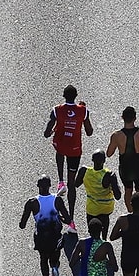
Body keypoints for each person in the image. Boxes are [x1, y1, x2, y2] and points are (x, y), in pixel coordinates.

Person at [44, 84, 93, 233]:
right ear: (76, 96)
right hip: (75, 150)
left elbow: (46, 133)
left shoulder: (57, 110)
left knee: (59, 151)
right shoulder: (83, 111)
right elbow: (90, 132)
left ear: (64, 96)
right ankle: (71, 222)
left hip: (62, 145)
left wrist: (53, 130)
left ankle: (60, 182)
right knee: (73, 184)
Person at [19, 175, 71, 276]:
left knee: (43, 261)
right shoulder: (57, 200)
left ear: (38, 186)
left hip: (41, 239)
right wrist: (58, 217)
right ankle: (55, 268)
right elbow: (68, 220)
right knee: (54, 258)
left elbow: (22, 225)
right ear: (50, 186)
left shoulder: (32, 202)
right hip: (56, 237)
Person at [106, 106, 139, 211]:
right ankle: (138, 209)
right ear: (135, 118)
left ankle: (130, 211)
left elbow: (109, 153)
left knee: (128, 190)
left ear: (122, 117)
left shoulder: (116, 135)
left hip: (126, 168)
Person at [75, 149, 122, 239]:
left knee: (92, 234)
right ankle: (104, 244)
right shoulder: (109, 175)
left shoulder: (84, 171)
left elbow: (76, 184)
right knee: (104, 236)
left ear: (92, 160)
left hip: (91, 208)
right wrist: (114, 182)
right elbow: (118, 196)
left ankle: (92, 247)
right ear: (104, 160)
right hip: (106, 209)